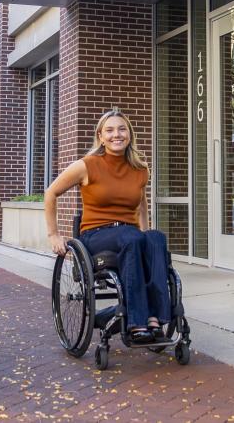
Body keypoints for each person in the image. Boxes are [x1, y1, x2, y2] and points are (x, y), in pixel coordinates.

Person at [44, 109, 170, 344]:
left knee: (156, 239)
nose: (116, 135)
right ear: (100, 136)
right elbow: (51, 193)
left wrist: (146, 232)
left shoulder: (140, 169)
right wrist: (53, 234)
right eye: (110, 130)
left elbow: (142, 204)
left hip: (130, 234)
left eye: (122, 129)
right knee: (132, 238)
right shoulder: (87, 165)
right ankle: (137, 321)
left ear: (129, 135)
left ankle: (156, 317)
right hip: (97, 234)